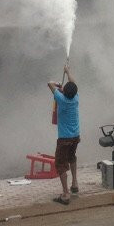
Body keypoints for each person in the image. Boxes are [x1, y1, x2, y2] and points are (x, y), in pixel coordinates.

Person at [47, 62, 80, 205]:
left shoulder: (62, 99)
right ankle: (75, 183)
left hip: (64, 139)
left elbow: (49, 84)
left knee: (60, 164)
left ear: (64, 92)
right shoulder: (75, 98)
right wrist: (67, 72)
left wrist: (57, 83)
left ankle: (66, 194)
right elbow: (73, 84)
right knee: (72, 157)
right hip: (75, 136)